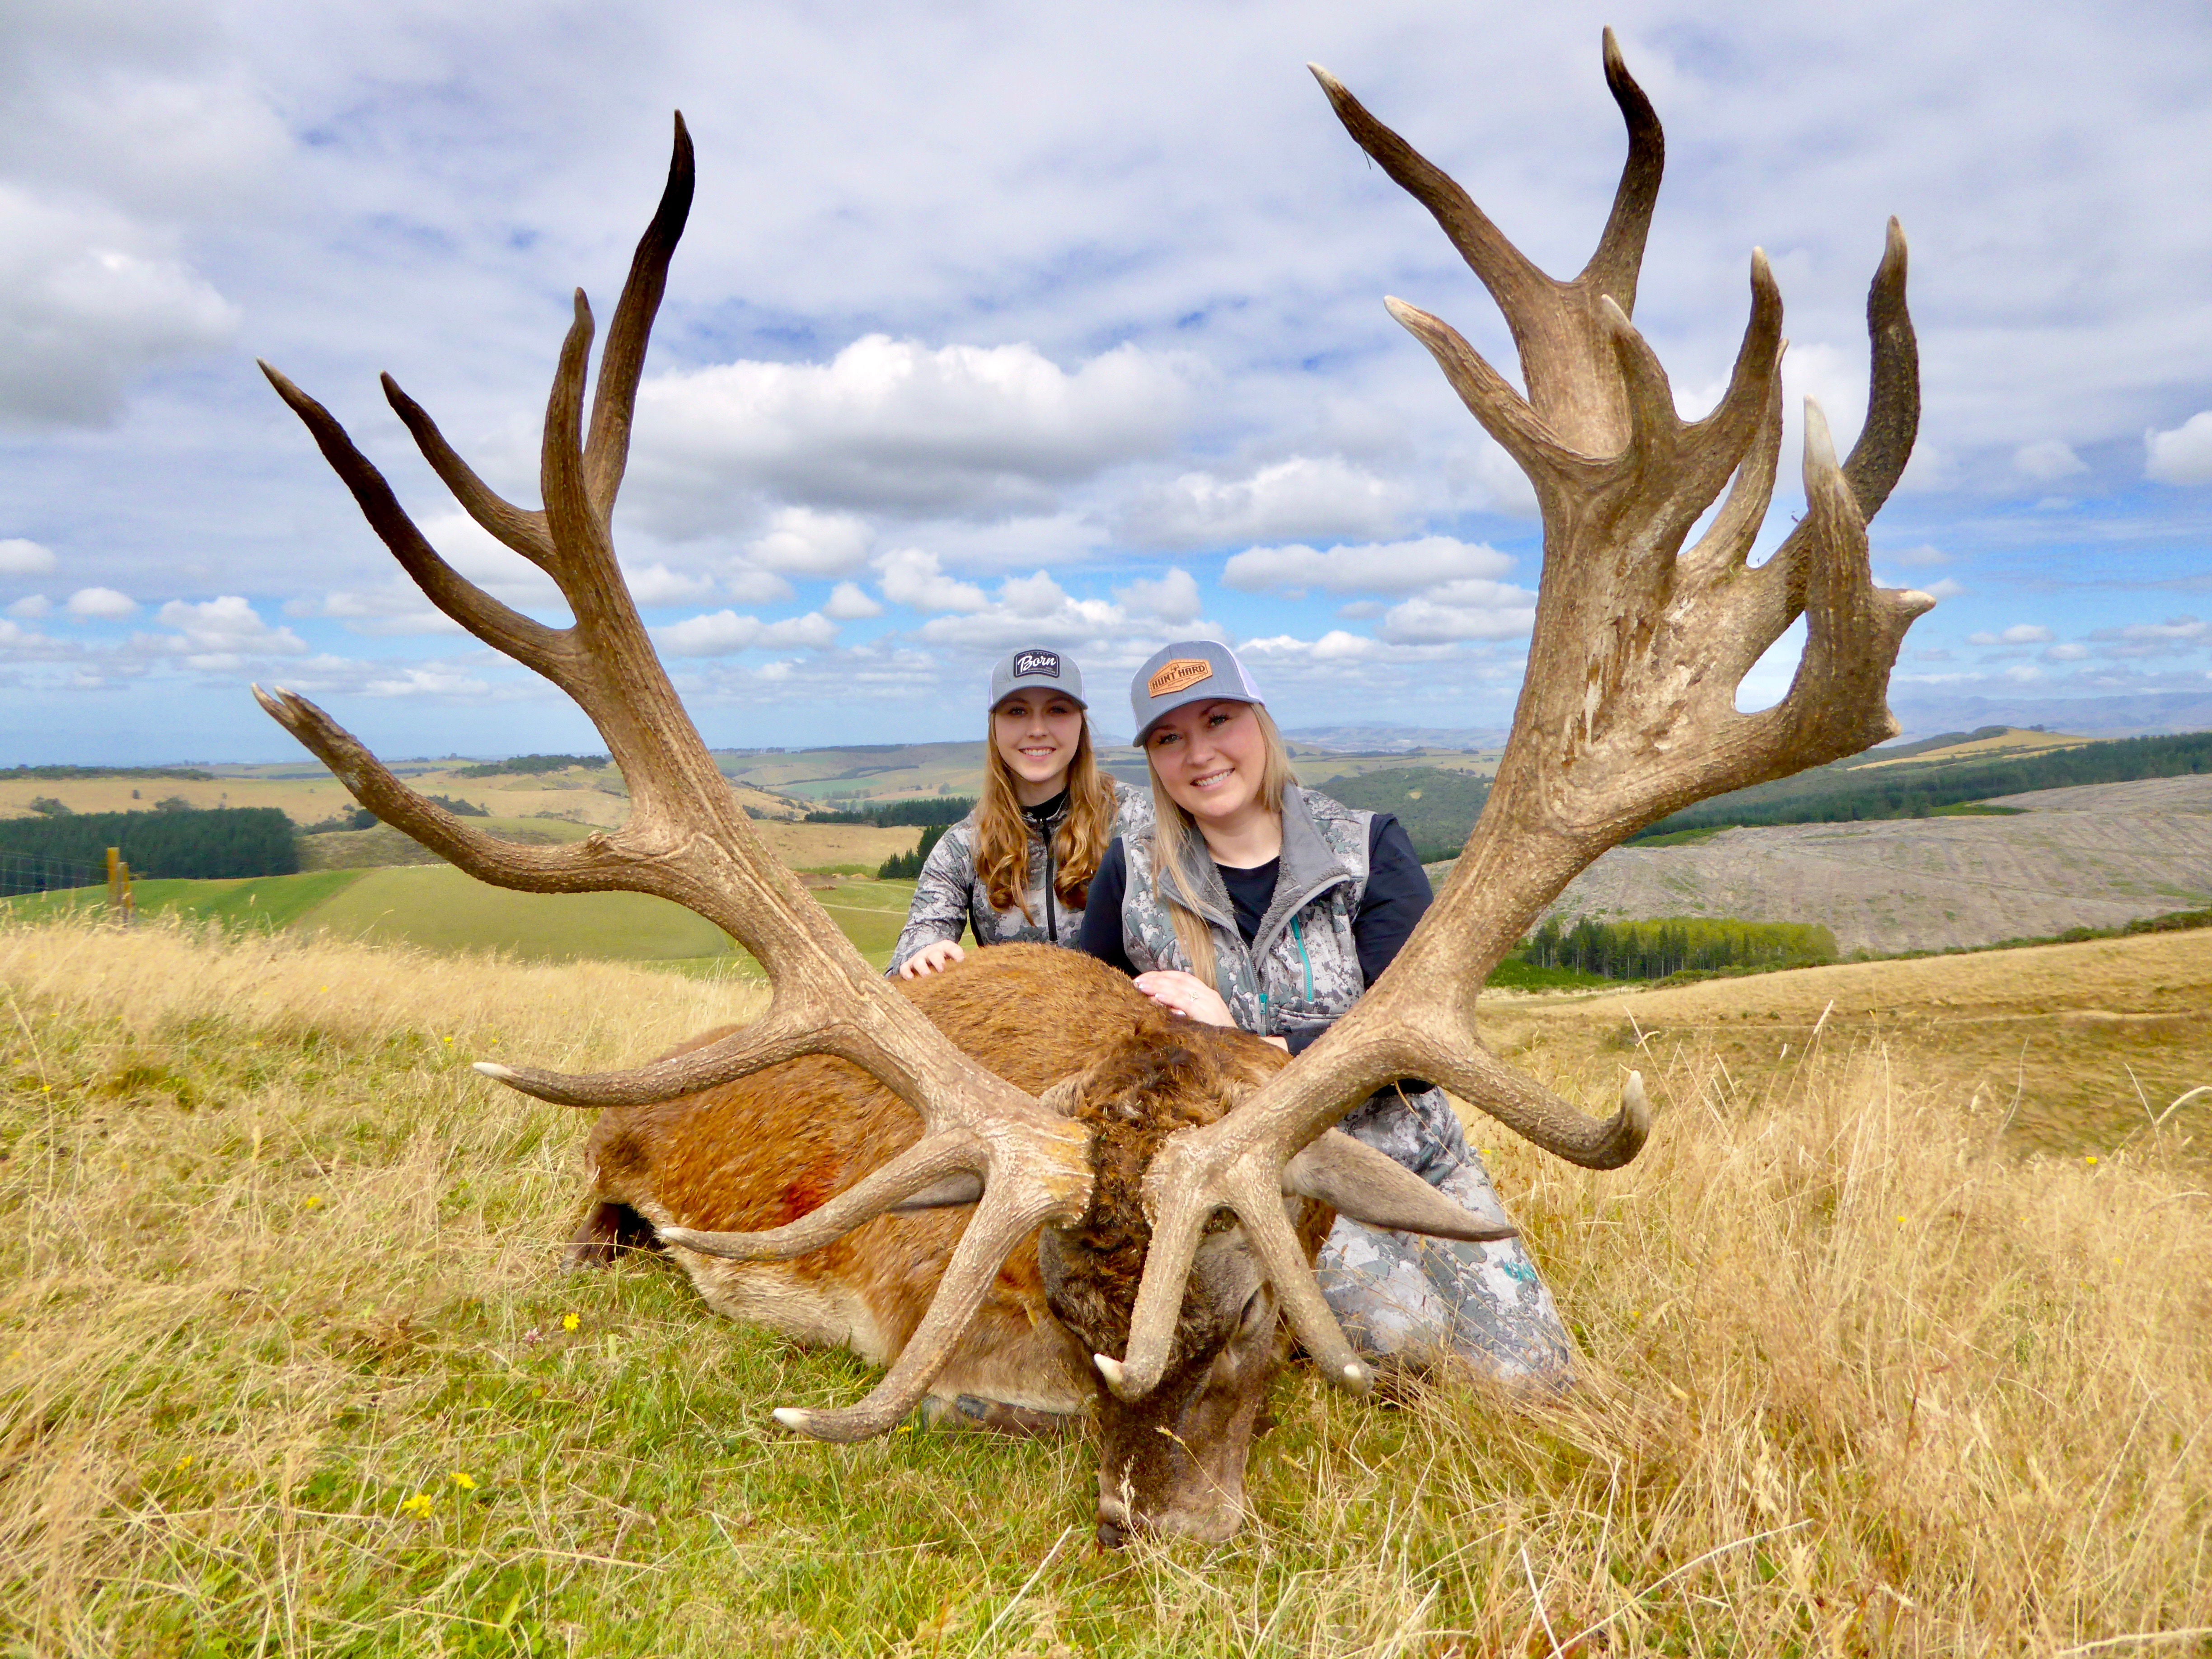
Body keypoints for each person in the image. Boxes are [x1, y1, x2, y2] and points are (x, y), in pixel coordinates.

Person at [1077, 639, 1574, 1385]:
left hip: (1414, 1158)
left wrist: (1242, 1044)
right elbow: (1092, 1020)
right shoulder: (1132, 870)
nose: (1200, 754)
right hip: (1272, 1187)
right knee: (1409, 1342)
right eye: (1169, 738)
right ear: (1152, 759)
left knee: (1531, 1376)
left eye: (1219, 721)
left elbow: (1419, 1035)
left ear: (1261, 723)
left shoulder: (1369, 849)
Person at [889, 648, 1152, 980]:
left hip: (1131, 1027)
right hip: (1017, 1029)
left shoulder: (1142, 818)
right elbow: (918, 938)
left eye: (1057, 710)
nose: (1037, 729)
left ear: (1080, 725)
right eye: (1017, 711)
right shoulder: (962, 846)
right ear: (994, 728)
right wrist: (922, 954)